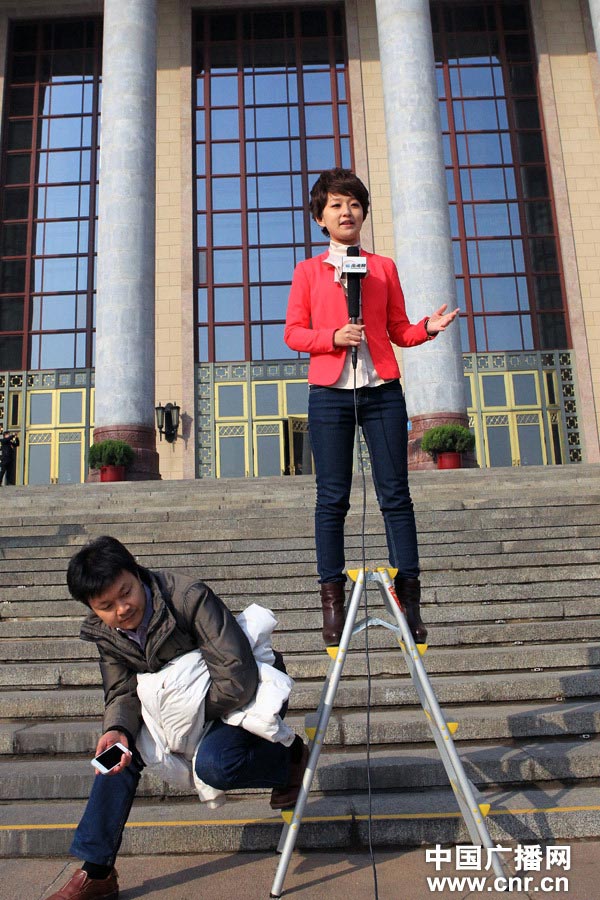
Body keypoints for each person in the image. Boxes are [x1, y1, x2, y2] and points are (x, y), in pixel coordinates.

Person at [47, 535, 308, 900]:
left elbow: (237, 676)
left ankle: (290, 755)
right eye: (106, 605)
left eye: (126, 593)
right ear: (92, 608)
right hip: (175, 710)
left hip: (240, 697)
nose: (122, 609)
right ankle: (97, 871)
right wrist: (118, 729)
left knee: (215, 766)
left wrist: (183, 718)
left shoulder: (187, 597)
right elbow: (121, 691)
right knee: (113, 758)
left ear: (136, 573)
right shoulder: (107, 634)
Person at [284, 168, 459, 647]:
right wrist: (333, 337)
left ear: (363, 213)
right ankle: (332, 606)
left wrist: (427, 327)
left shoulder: (382, 267)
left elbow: (399, 329)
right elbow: (293, 332)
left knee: (396, 496)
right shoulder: (307, 272)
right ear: (320, 218)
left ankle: (410, 601)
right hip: (329, 393)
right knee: (332, 498)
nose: (347, 212)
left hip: (381, 390)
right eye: (337, 205)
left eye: (354, 204)